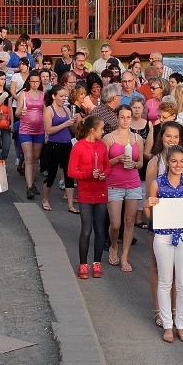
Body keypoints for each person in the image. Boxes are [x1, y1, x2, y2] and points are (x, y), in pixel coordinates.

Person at [145, 144, 183, 343]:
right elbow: (149, 217)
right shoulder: (157, 183)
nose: (178, 165)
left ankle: (181, 325)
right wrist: (146, 205)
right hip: (162, 236)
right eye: (174, 161)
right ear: (167, 162)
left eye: (181, 161)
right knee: (165, 281)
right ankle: (168, 325)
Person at [68, 115, 111, 279]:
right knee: (86, 229)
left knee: (100, 229)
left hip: (100, 191)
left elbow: (107, 167)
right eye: (101, 129)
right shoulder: (79, 147)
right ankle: (83, 264)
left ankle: (97, 262)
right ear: (93, 130)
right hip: (85, 193)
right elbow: (71, 171)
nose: (103, 131)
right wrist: (88, 174)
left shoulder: (101, 146)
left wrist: (103, 175)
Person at [103, 104, 144, 272]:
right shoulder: (108, 138)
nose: (126, 120)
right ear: (117, 117)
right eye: (122, 117)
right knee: (115, 224)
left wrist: (134, 163)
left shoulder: (137, 138)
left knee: (129, 221)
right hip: (114, 183)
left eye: (128, 117)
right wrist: (117, 159)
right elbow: (104, 163)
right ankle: (114, 246)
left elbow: (141, 162)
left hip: (133, 183)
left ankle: (125, 257)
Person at [41, 85, 80, 213]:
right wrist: (64, 124)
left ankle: (70, 204)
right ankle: (45, 199)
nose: (64, 99)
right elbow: (48, 130)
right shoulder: (49, 110)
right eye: (61, 96)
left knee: (69, 174)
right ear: (54, 96)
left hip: (67, 144)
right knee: (52, 174)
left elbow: (72, 130)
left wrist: (75, 123)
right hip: (53, 145)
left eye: (65, 96)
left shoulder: (67, 110)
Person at [17, 69, 46, 199]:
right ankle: (29, 186)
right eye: (32, 81)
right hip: (25, 129)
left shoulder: (43, 95)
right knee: (28, 158)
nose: (34, 84)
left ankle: (32, 182)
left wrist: (47, 131)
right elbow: (17, 112)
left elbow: (46, 113)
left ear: (39, 82)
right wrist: (20, 113)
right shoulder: (24, 94)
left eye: (36, 82)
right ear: (29, 82)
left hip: (39, 129)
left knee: (35, 158)